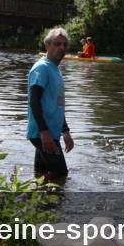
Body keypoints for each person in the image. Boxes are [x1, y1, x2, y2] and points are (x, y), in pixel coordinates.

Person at [27, 27, 75, 182]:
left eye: (64, 44)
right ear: (47, 45)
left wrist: (65, 131)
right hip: (43, 133)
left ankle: (35, 202)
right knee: (61, 174)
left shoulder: (56, 70)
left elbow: (58, 105)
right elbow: (34, 101)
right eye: (57, 44)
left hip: (51, 132)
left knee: (40, 173)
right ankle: (49, 204)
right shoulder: (42, 68)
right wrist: (44, 132)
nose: (61, 48)